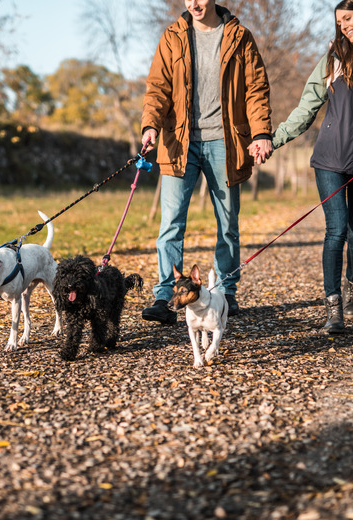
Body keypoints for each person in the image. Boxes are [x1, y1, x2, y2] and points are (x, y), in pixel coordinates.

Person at [262, 0, 353, 333]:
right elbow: (306, 107)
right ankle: (334, 308)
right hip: (329, 160)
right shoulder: (334, 59)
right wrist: (274, 138)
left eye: (348, 18)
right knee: (335, 231)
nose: (343, 25)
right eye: (339, 21)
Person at [140, 0, 273, 324]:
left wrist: (260, 133)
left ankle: (226, 291)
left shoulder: (239, 36)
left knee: (227, 223)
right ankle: (165, 296)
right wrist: (149, 125)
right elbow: (158, 88)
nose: (194, 3)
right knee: (170, 223)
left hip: (225, 143)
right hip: (179, 142)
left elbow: (256, 89)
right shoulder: (172, 36)